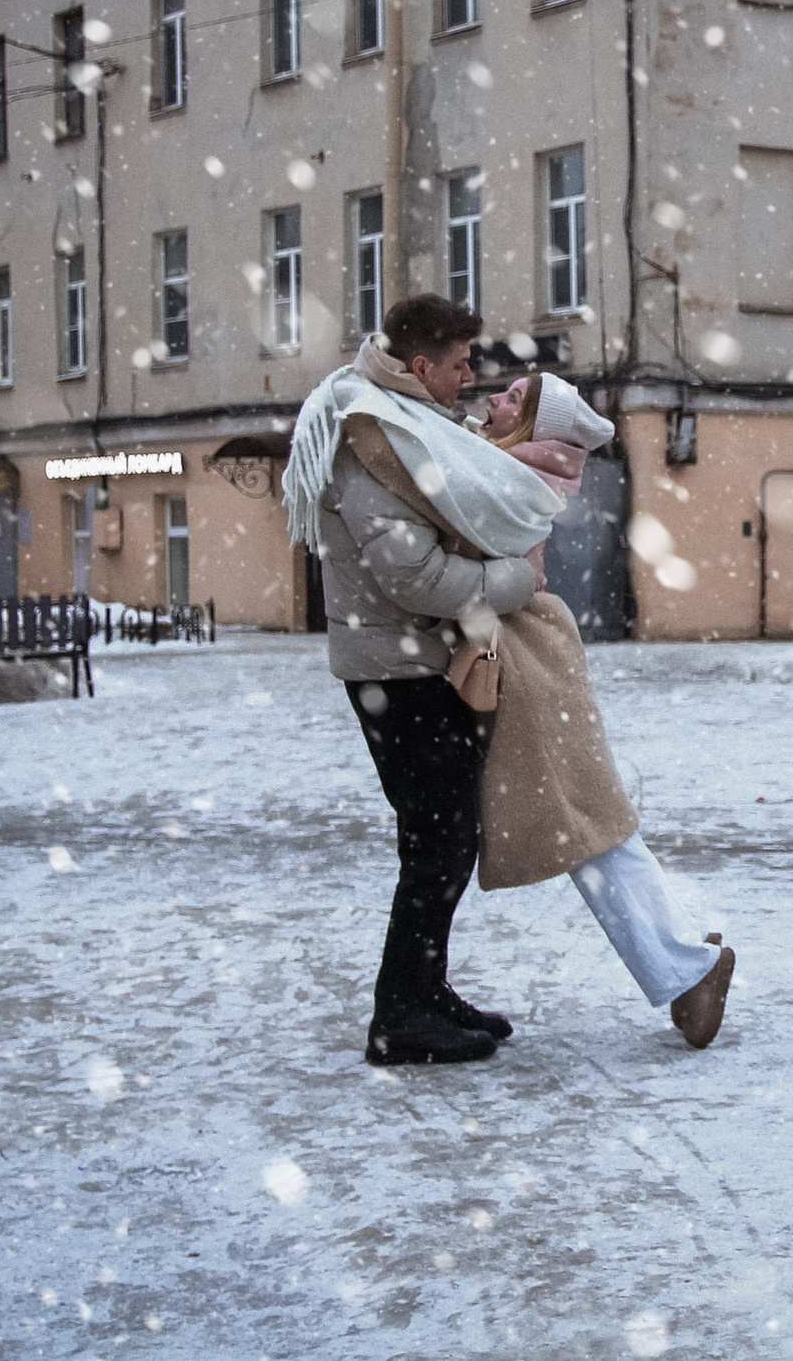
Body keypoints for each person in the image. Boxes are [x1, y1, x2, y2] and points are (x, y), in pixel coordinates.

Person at [282, 294, 563, 1065]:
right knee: (441, 841)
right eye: (460, 363)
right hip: (398, 666)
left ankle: (423, 990)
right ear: (420, 367)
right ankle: (401, 1015)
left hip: (416, 662)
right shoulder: (373, 436)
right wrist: (515, 578)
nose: (470, 375)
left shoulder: (405, 424)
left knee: (440, 838)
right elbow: (414, 575)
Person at [472, 371, 736, 1051]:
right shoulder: (511, 466)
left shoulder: (507, 476)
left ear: (533, 429)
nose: (493, 399)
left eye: (512, 400)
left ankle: (688, 968)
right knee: (591, 828)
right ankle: (684, 960)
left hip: (529, 664)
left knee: (586, 831)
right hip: (530, 659)